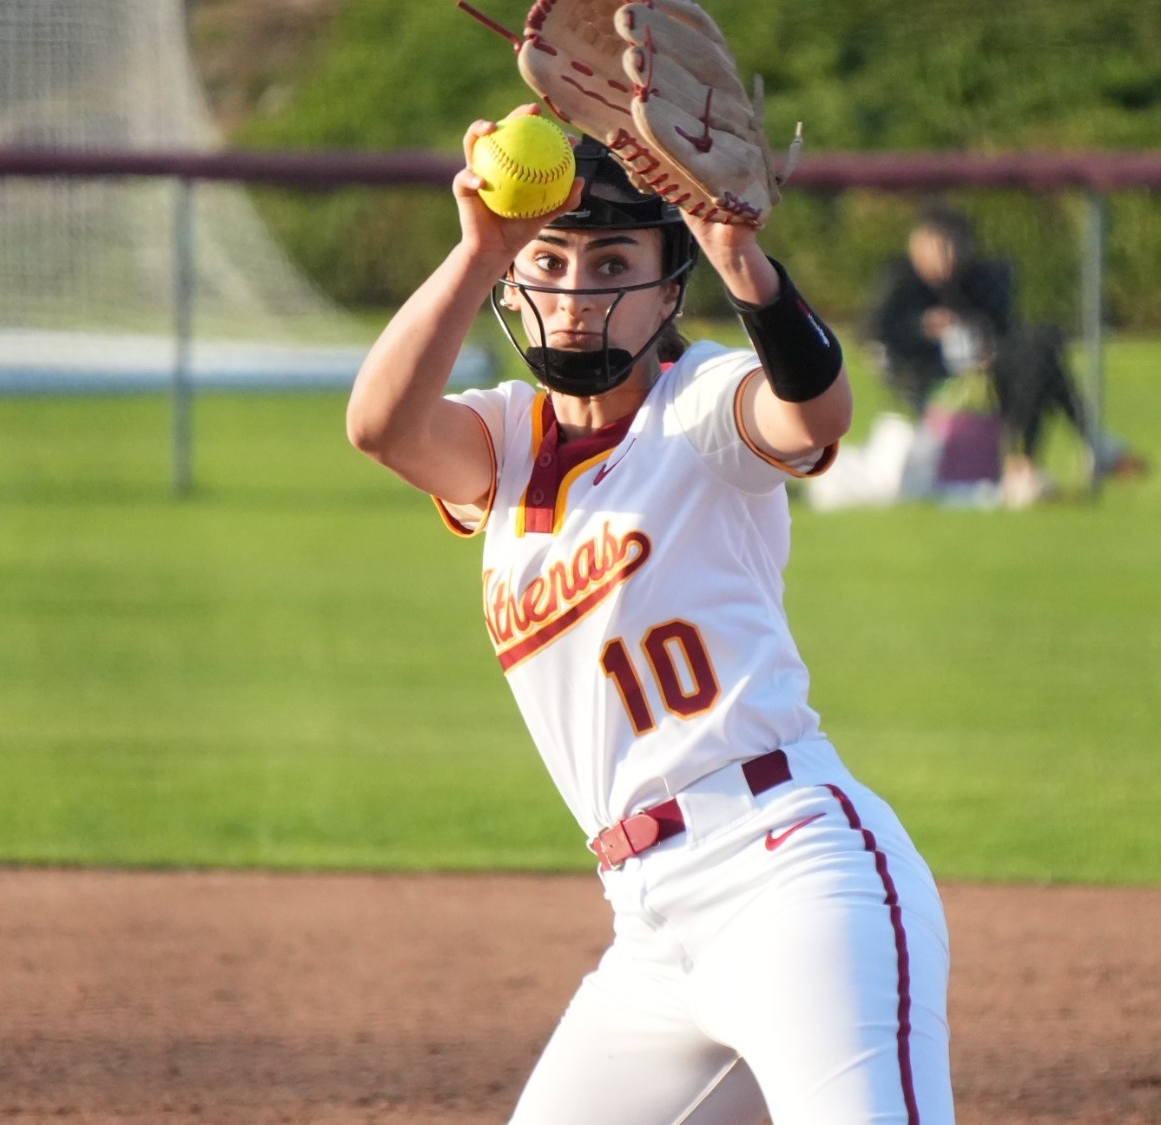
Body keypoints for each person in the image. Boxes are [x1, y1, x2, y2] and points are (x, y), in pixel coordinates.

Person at [345, 107, 954, 1125]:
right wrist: (476, 247)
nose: (578, 296)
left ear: (666, 283)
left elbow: (812, 415)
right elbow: (378, 425)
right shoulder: (502, 442)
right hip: (648, 929)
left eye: (612, 261)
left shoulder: (699, 403)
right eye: (550, 261)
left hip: (791, 878)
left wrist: (740, 258)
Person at [866, 205, 1146, 508]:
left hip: (986, 375)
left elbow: (1001, 330)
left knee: (1039, 346)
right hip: (934, 382)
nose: (946, 256)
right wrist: (924, 327)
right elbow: (877, 336)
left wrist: (980, 341)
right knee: (1039, 358)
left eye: (954, 245)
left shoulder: (981, 279)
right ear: (916, 246)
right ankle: (1082, 443)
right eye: (937, 246)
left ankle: (1030, 464)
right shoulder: (900, 282)